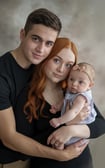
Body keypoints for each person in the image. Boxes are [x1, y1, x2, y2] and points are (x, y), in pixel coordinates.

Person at [0, 8, 87, 168]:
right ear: (22, 34)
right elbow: (9, 138)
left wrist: (74, 130)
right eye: (35, 39)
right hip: (13, 160)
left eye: (49, 43)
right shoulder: (3, 76)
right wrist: (60, 155)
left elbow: (97, 120)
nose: (41, 49)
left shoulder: (46, 66)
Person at [16, 37, 105, 168]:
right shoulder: (28, 95)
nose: (61, 69)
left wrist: (72, 130)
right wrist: (65, 127)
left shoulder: (72, 91)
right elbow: (22, 144)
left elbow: (100, 124)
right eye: (57, 60)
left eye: (68, 65)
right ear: (46, 57)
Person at [49, 62, 97, 146]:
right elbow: (65, 100)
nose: (74, 84)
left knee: (67, 141)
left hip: (79, 127)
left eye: (80, 82)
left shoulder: (81, 97)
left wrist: (59, 121)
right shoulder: (72, 91)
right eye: (71, 79)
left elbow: (74, 112)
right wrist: (57, 107)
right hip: (70, 124)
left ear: (90, 85)